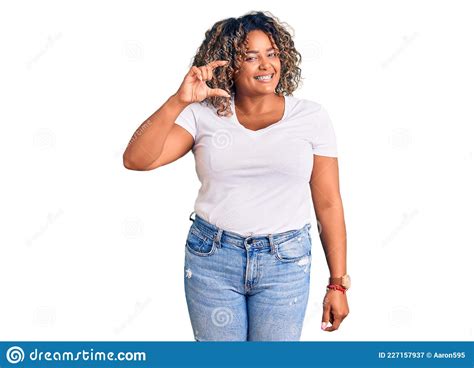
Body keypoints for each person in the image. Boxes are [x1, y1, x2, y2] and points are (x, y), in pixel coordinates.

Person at [123, 10, 349, 341]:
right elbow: (137, 160)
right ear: (229, 64)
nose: (266, 65)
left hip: (284, 262)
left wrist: (338, 282)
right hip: (212, 260)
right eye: (251, 57)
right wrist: (178, 101)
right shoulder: (202, 115)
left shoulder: (311, 117)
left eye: (272, 54)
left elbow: (328, 203)